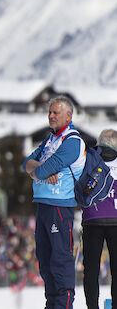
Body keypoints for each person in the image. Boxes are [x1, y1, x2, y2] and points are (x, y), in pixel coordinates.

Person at [23, 96, 86, 309]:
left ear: (68, 115)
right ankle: (52, 304)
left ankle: (64, 305)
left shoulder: (72, 141)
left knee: (60, 259)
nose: (50, 116)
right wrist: (39, 169)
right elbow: (27, 163)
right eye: (49, 112)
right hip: (43, 204)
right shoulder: (50, 139)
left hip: (60, 205)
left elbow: (41, 169)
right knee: (45, 260)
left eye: (55, 112)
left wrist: (38, 170)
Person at [82, 129, 117, 309]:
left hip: (92, 218)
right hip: (116, 221)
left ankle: (92, 307)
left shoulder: (89, 158)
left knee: (91, 271)